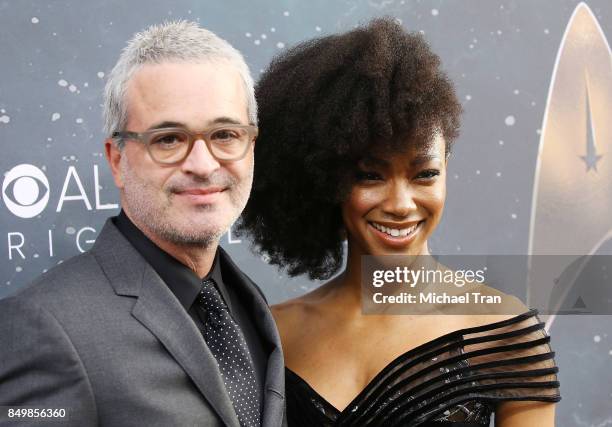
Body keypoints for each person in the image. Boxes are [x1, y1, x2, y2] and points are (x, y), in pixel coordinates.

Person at [238, 19, 560, 426]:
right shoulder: (273, 334)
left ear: (446, 167)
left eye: (424, 174)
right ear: (327, 180)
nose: (400, 204)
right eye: (370, 176)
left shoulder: (502, 333)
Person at [0, 21, 285, 427]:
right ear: (117, 159)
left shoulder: (245, 301)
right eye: (168, 139)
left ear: (251, 146)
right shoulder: (43, 328)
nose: (203, 166)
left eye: (224, 134)